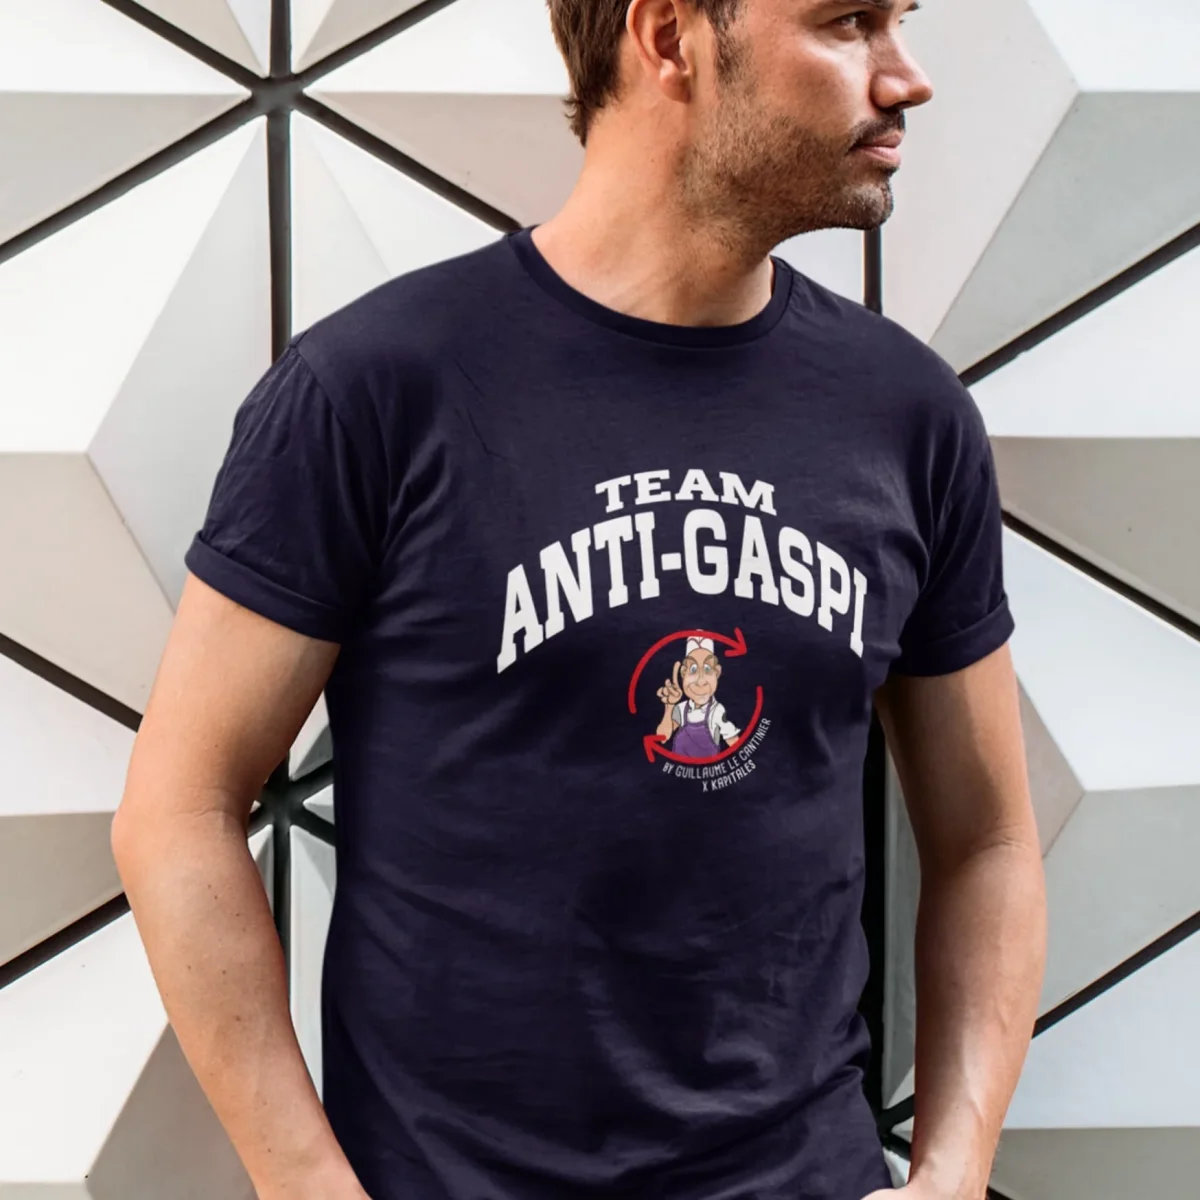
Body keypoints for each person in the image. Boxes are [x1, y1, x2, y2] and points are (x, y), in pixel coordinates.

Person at [111, 2, 1047, 1199]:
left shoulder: (908, 416)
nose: (906, 79)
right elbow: (177, 811)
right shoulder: (378, 391)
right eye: (849, 22)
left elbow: (988, 841)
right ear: (668, 38)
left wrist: (953, 1176)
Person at [655, 635, 742, 757]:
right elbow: (662, 738)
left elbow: (734, 743)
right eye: (693, 669)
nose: (700, 681)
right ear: (683, 673)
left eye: (707, 669)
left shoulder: (716, 711)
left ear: (717, 672)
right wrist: (669, 706)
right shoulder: (681, 709)